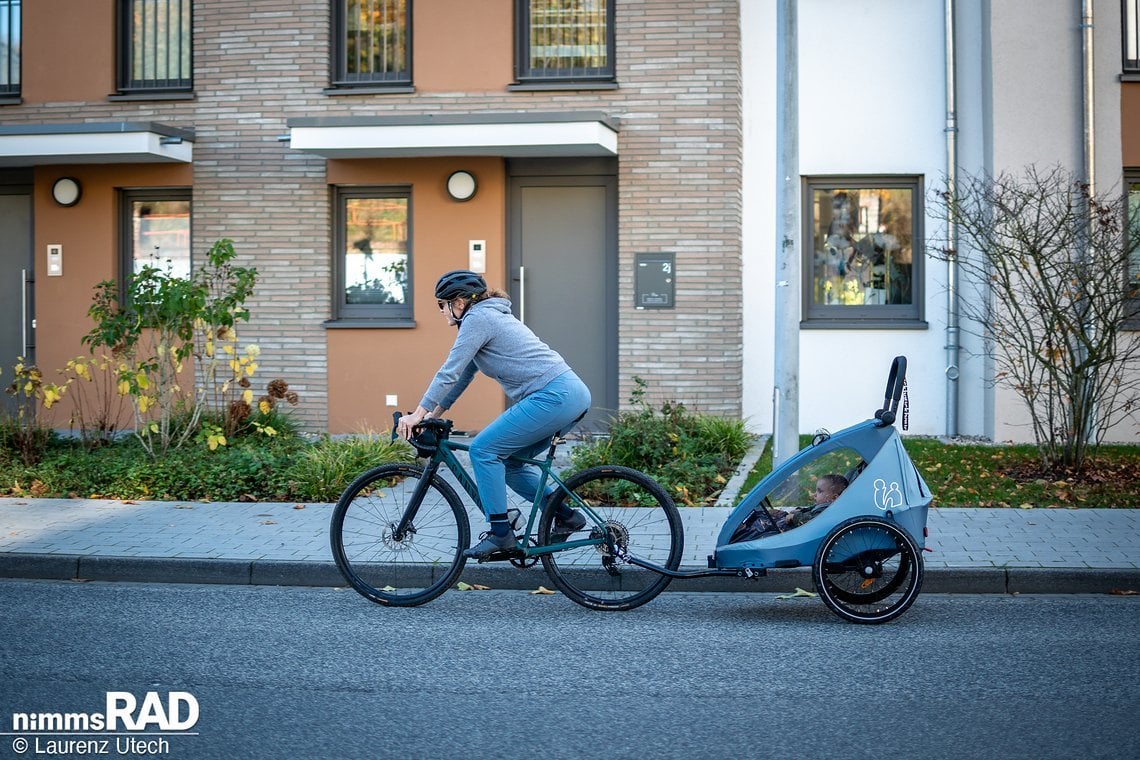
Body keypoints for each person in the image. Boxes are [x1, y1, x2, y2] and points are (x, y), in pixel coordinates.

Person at [396, 269, 592, 560]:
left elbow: (448, 372)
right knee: (510, 463)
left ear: (459, 303)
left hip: (553, 395)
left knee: (483, 450)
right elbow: (462, 376)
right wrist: (432, 414)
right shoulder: (488, 317)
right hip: (568, 394)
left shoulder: (478, 319)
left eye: (441, 304)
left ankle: (501, 534)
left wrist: (417, 414)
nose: (441, 311)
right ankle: (565, 516)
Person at [773, 473, 849, 529]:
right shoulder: (825, 504)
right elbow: (812, 508)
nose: (814, 494)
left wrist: (794, 517)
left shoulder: (827, 511)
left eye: (820, 491)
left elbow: (813, 522)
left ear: (834, 497)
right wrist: (801, 510)